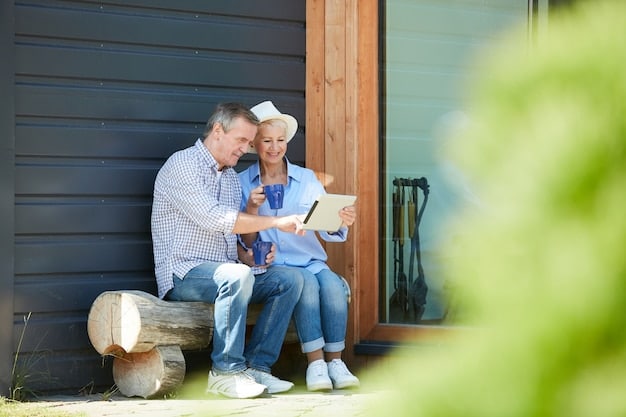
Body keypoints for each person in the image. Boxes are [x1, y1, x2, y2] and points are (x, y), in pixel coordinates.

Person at [151, 102, 307, 399]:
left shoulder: (231, 179)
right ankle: (225, 372)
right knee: (237, 276)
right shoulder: (183, 164)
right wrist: (277, 221)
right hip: (183, 274)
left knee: (289, 280)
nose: (245, 149)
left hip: (226, 271)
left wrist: (247, 254)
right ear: (218, 131)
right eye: (242, 140)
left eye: (249, 143)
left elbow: (231, 238)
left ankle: (258, 367)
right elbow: (214, 218)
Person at [238, 101, 360, 391]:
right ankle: (315, 364)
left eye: (280, 140)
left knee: (332, 284)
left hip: (311, 261)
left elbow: (328, 226)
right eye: (267, 141)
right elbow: (245, 241)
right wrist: (252, 210)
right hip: (275, 267)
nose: (274, 147)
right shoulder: (243, 183)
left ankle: (335, 363)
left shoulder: (306, 179)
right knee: (305, 283)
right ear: (255, 143)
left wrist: (340, 219)